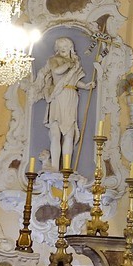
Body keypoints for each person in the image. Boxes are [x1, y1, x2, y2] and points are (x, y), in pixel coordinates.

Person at [33, 36, 89, 172]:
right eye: (60, 47)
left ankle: (67, 168)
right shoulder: (54, 60)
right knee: (55, 133)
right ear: (57, 49)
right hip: (57, 96)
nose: (63, 49)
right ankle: (54, 166)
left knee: (69, 133)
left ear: (70, 48)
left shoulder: (76, 64)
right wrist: (69, 64)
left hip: (70, 95)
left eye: (66, 46)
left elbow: (73, 81)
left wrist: (86, 86)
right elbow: (58, 72)